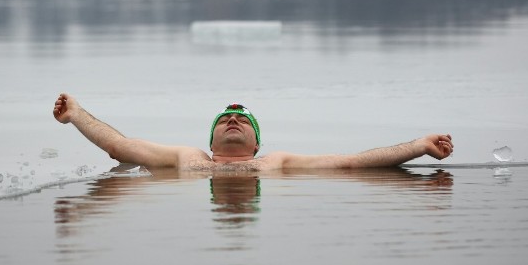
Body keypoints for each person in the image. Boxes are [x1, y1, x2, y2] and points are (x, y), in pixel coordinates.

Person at [52, 93, 453, 171]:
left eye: (243, 121)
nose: (233, 121)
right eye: (224, 121)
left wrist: (418, 146)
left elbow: (350, 163)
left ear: (257, 142)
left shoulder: (275, 164)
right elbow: (120, 147)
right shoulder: (188, 158)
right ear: (210, 141)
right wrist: (77, 113)